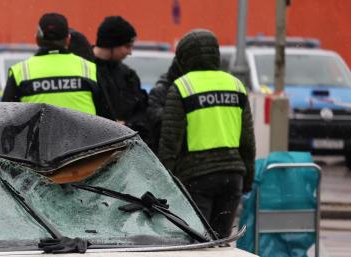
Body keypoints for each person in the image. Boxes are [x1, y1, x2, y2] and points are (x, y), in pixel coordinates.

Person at [157, 29, 255, 238]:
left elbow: (170, 142)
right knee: (220, 244)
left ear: (184, 57)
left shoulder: (182, 87)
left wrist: (165, 182)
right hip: (232, 176)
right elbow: (247, 140)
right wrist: (247, 178)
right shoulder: (235, 85)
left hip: (197, 177)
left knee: (196, 244)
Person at [2, 12, 113, 119]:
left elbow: (4, 119)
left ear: (37, 39)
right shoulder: (89, 69)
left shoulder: (20, 72)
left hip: (39, 138)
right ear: (68, 39)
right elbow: (108, 120)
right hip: (85, 138)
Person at [92, 16, 150, 143]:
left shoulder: (128, 75)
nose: (130, 52)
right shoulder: (86, 71)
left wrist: (128, 125)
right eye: (127, 46)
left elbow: (142, 111)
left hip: (125, 147)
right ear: (112, 44)